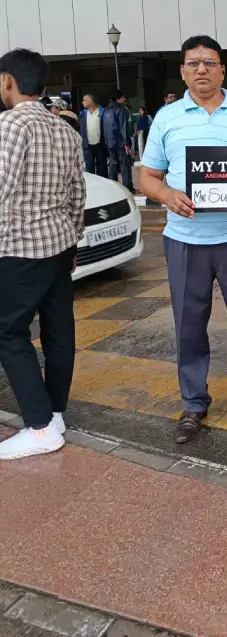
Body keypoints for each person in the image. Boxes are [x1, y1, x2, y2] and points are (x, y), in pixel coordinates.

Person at [139, 35, 227, 441]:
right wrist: (167, 195)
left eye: (210, 63)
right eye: (194, 63)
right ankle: (194, 403)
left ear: (222, 71)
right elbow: (147, 176)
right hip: (185, 239)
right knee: (188, 325)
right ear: (183, 71)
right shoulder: (167, 117)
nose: (202, 69)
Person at [0, 48, 86, 460]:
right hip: (59, 246)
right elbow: (77, 195)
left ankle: (38, 427)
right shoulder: (65, 130)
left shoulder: (11, 125)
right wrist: (73, 241)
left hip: (19, 247)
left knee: (8, 332)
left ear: (7, 81)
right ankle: (54, 414)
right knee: (58, 332)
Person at [103, 91, 133, 192]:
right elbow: (123, 127)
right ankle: (127, 187)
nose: (124, 99)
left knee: (113, 165)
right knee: (125, 165)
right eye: (122, 98)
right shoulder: (121, 110)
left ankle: (113, 188)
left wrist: (107, 142)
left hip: (109, 143)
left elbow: (104, 129)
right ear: (117, 99)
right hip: (120, 143)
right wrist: (126, 143)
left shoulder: (106, 111)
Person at [79, 93, 107, 177]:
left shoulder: (102, 112)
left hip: (100, 144)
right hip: (88, 145)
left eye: (84, 100)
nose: (82, 102)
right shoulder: (83, 113)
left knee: (102, 167)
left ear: (90, 101)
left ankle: (103, 183)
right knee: (89, 167)